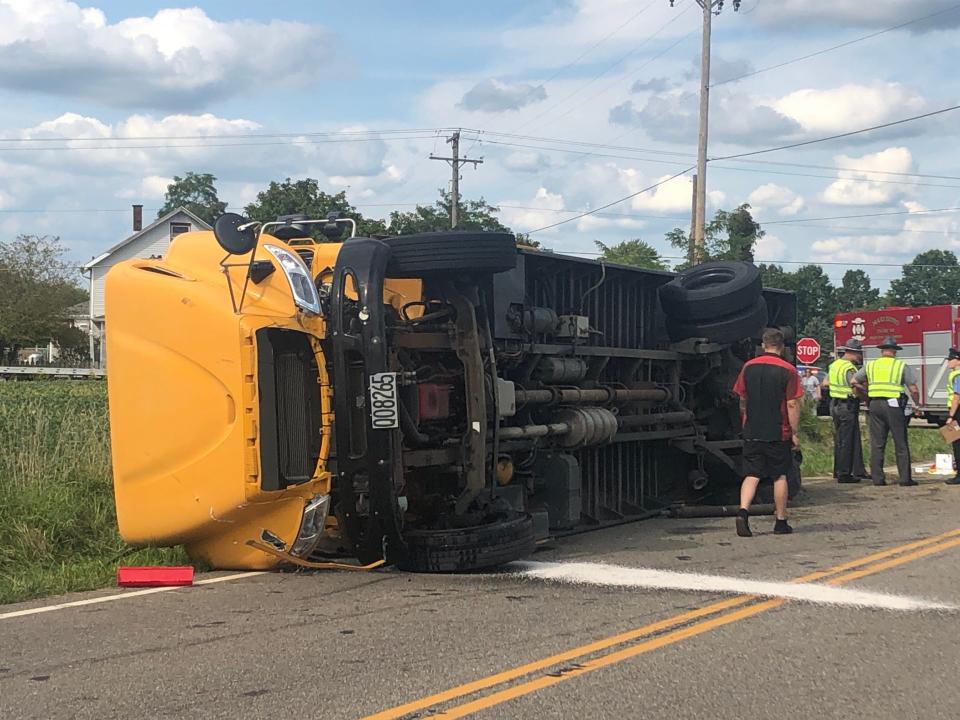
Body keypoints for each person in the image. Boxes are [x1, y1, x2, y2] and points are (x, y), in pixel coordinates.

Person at [732, 327, 802, 537]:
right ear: (782, 347)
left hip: (752, 429)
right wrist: (795, 433)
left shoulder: (748, 368)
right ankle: (780, 521)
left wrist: (745, 420)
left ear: (763, 345)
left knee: (752, 473)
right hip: (777, 431)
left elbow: (742, 400)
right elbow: (792, 404)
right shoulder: (788, 370)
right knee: (779, 475)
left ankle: (743, 512)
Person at [852, 336, 921, 487]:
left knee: (877, 443)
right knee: (900, 442)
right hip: (894, 404)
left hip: (875, 404)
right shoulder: (900, 366)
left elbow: (854, 381)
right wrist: (917, 403)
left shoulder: (871, 365)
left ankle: (878, 478)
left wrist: (868, 391)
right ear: (895, 351)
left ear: (882, 351)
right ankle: (904, 479)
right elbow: (913, 389)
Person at [826, 339, 868, 483]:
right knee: (847, 440)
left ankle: (838, 471)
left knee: (840, 439)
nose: (860, 357)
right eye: (859, 354)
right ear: (854, 352)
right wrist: (865, 395)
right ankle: (845, 474)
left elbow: (825, 383)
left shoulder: (834, 365)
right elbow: (854, 386)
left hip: (835, 404)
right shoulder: (849, 368)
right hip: (847, 405)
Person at [943, 347, 960, 486]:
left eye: (950, 360)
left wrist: (951, 416)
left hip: (957, 411)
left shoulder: (957, 375)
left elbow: (956, 397)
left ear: (957, 360)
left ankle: (959, 475)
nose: (948, 362)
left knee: (956, 442)